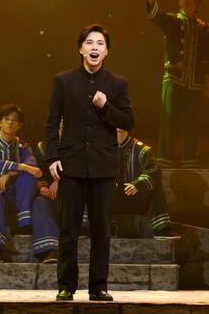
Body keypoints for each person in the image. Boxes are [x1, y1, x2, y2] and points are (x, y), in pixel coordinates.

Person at [45, 24, 134, 301]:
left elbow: (128, 121)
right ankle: (66, 286)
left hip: (103, 166)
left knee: (101, 230)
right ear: (80, 48)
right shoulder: (63, 81)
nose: (94, 47)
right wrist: (52, 157)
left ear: (107, 51)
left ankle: (98, 286)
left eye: (100, 43)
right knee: (68, 229)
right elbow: (52, 123)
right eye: (89, 43)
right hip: (70, 165)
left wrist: (106, 107)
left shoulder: (118, 84)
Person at [144, 0, 209, 168]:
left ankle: (189, 158)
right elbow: (156, 15)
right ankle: (165, 158)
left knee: (191, 121)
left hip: (195, 82)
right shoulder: (173, 21)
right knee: (169, 119)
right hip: (173, 77)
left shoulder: (204, 28)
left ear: (197, 1)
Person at [0, 104, 49, 263]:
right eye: (6, 119)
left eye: (14, 120)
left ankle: (24, 222)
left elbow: (33, 168)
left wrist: (8, 174)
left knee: (29, 179)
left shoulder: (23, 146)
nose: (10, 122)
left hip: (16, 195)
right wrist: (23, 167)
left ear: (20, 125)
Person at [114, 128, 176, 239]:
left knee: (155, 186)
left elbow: (154, 171)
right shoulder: (104, 148)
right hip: (113, 197)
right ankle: (88, 228)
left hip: (136, 197)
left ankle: (162, 230)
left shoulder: (141, 149)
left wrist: (138, 185)